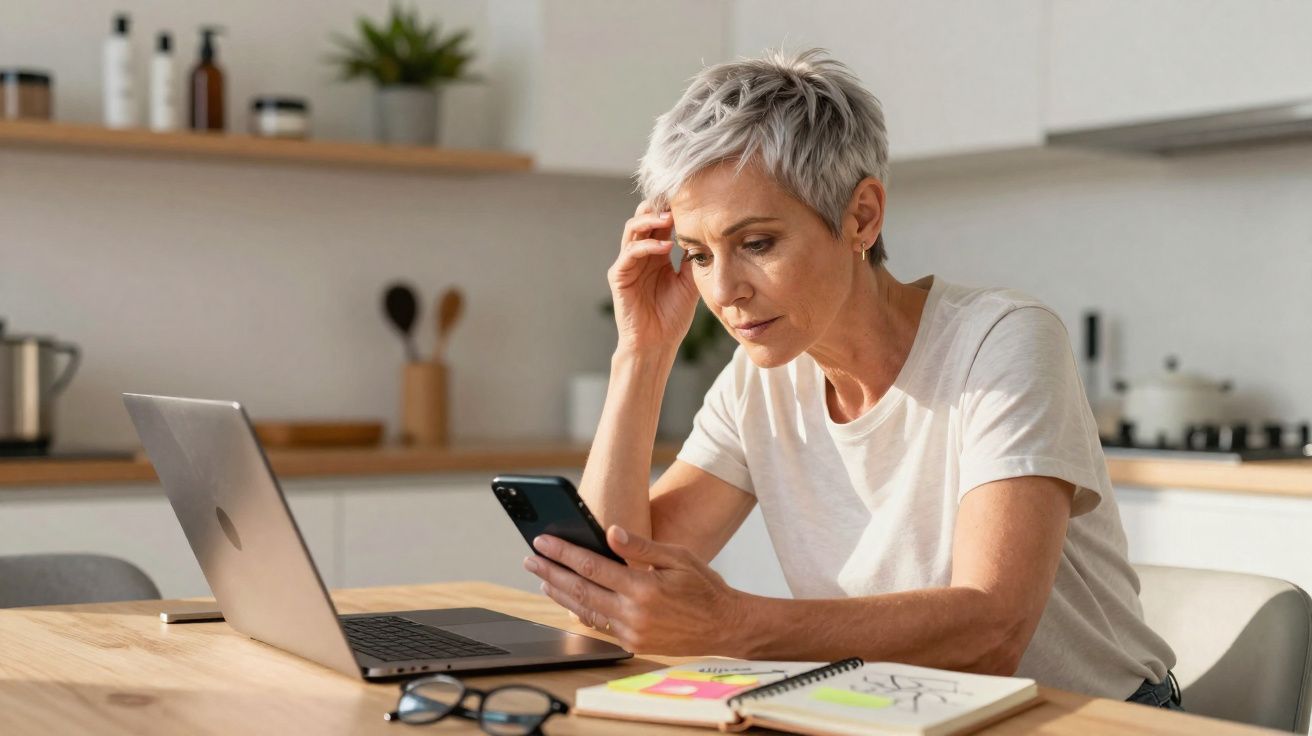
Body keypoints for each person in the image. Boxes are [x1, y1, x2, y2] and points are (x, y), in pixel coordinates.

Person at [521, 48, 1180, 707]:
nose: (724, 291)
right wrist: (642, 352)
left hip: (1088, 718)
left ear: (861, 216)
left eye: (756, 244)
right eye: (697, 254)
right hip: (897, 712)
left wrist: (732, 625)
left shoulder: (1001, 341)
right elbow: (613, 589)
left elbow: (992, 631)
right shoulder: (760, 380)